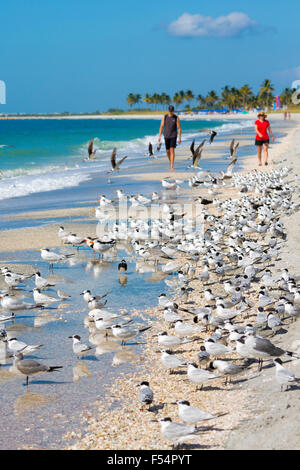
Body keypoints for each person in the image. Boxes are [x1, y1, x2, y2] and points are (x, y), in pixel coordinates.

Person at [158, 105, 181, 171]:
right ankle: (171, 161)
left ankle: (171, 166)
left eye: (172, 111)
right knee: (167, 151)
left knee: (172, 150)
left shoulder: (176, 118)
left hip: (173, 136)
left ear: (173, 111)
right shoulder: (164, 117)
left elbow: (179, 128)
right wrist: (159, 136)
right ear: (168, 110)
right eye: (170, 111)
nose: (171, 112)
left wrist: (179, 138)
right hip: (166, 136)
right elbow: (161, 126)